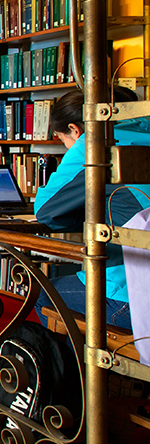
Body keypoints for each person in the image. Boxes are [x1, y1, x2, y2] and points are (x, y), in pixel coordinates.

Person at [33, 87, 150, 329]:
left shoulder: (96, 144)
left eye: (63, 140)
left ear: (75, 130)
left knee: (44, 293)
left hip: (134, 298)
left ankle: (85, 367)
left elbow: (46, 211)